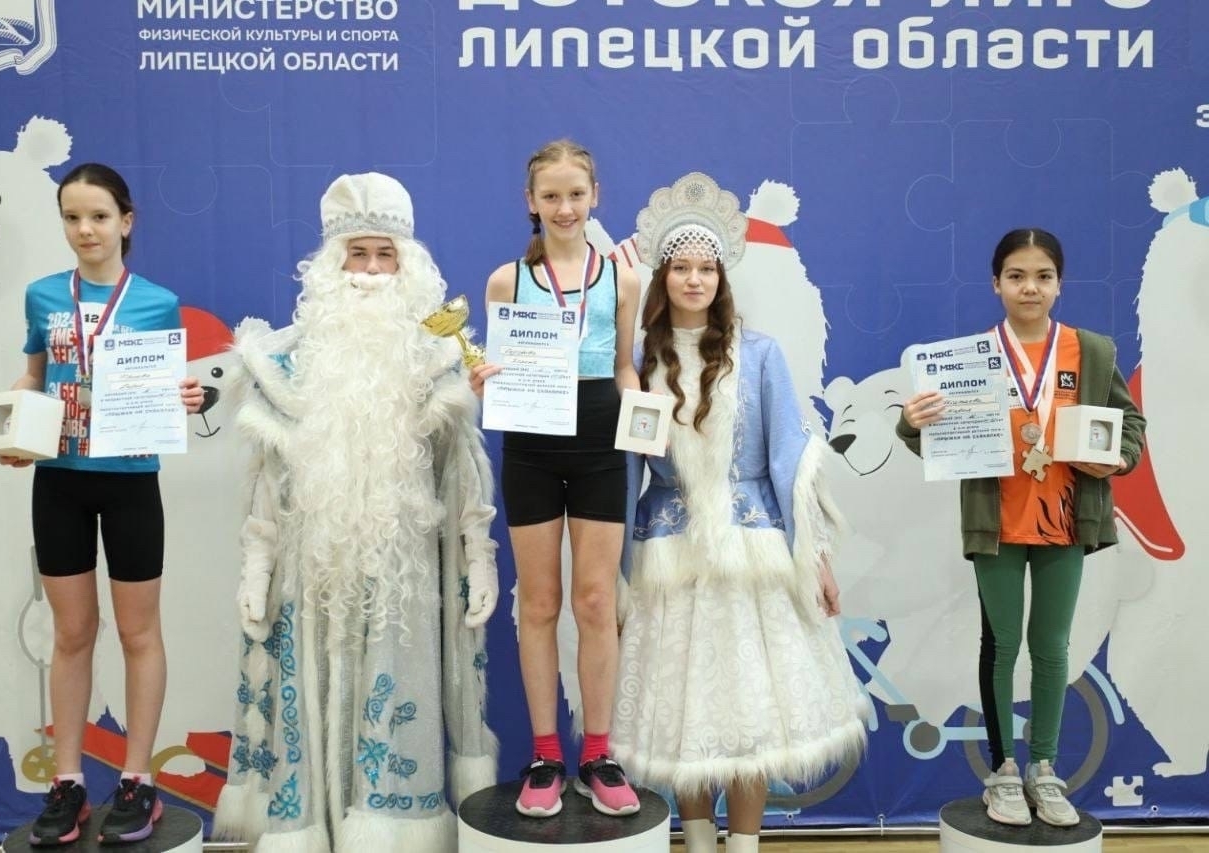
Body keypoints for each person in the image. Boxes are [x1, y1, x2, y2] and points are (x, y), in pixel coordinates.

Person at [213, 173, 500, 853]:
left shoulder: (438, 358)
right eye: (357, 254)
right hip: (312, 572)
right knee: (309, 702)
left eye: (384, 255)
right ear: (330, 265)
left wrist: (479, 553)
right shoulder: (286, 361)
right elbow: (267, 478)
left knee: (394, 711)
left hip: (405, 577)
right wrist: (257, 564)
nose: (369, 272)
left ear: (408, 265)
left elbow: (463, 469)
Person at [608, 172, 868, 853]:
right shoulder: (641, 362)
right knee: (686, 719)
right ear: (663, 277)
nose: (693, 279)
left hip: (754, 554)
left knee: (751, 718)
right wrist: (615, 578)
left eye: (706, 268)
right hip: (671, 557)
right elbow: (628, 474)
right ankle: (698, 841)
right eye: (680, 268)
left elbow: (789, 461)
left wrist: (815, 559)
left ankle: (745, 845)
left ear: (721, 276)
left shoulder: (759, 355)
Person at [0, 162, 206, 845]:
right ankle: (68, 782)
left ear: (126, 222)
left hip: (131, 481)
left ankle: (138, 779)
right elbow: (34, 373)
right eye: (73, 217)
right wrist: (11, 423)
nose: (86, 229)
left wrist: (188, 396)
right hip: (59, 482)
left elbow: (168, 388)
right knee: (72, 633)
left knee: (139, 633)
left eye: (100, 216)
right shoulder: (42, 295)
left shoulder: (157, 302)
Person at [896, 227, 1146, 828]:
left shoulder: (1092, 351)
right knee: (1002, 645)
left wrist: (1117, 458)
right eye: (1016, 276)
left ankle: (1045, 768)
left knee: (1052, 647)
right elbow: (937, 442)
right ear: (996, 284)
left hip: (1066, 519)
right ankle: (1004, 770)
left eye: (1042, 276)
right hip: (998, 522)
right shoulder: (968, 359)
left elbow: (1130, 425)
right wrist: (910, 424)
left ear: (1060, 284)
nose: (1029, 287)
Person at [469, 139, 642, 818]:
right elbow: (498, 371)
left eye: (575, 194)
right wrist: (483, 382)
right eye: (551, 196)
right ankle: (545, 755)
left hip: (600, 442)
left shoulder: (622, 279)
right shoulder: (505, 281)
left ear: (595, 194)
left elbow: (623, 366)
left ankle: (598, 753)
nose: (565, 207)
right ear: (531, 202)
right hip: (531, 448)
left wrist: (642, 408)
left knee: (596, 602)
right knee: (538, 602)